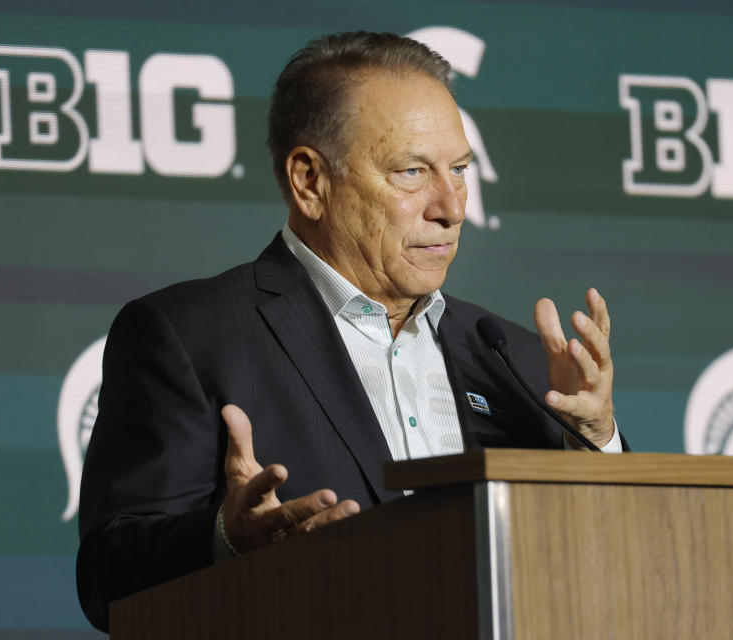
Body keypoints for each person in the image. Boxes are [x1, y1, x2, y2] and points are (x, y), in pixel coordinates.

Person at [76, 31, 623, 632]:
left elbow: (607, 571)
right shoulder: (187, 335)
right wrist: (226, 539)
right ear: (310, 181)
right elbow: (108, 577)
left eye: (460, 169)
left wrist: (594, 442)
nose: (453, 206)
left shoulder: (512, 356)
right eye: (413, 171)